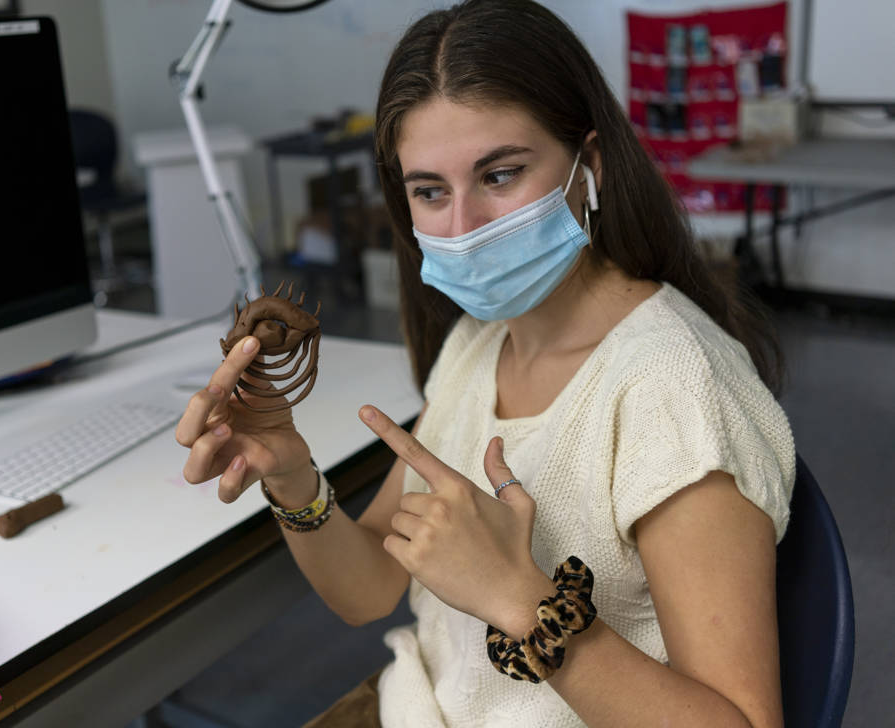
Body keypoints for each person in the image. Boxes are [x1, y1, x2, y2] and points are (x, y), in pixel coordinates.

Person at [175, 1, 795, 726]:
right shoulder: (480, 341)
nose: (463, 228)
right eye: (429, 191)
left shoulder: (676, 389)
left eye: (499, 175)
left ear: (588, 165)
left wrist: (521, 600)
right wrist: (291, 479)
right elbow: (370, 585)